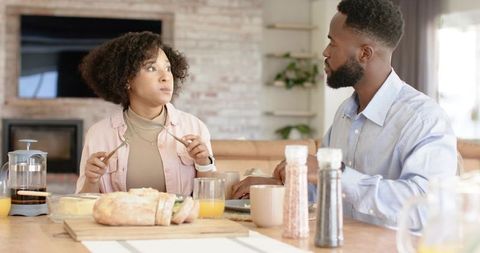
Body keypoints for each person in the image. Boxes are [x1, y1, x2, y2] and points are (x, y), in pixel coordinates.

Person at [232, 0, 457, 227]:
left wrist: (332, 172)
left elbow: (427, 208)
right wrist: (273, 187)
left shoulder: (423, 119)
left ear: (365, 54)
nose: (325, 52)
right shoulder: (345, 112)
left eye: (333, 43)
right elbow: (327, 191)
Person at [75, 31, 216, 195]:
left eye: (168, 68)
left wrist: (203, 163)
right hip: (121, 221)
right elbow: (82, 206)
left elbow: (211, 200)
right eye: (151, 68)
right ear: (126, 79)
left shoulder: (194, 127)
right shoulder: (99, 134)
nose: (166, 77)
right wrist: (92, 179)